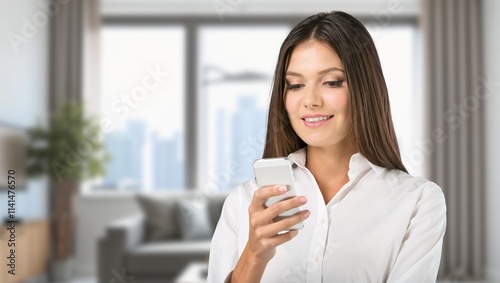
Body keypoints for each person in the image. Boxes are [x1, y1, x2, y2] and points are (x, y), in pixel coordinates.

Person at [207, 11, 446, 283]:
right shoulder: (243, 202)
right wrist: (254, 256)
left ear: (364, 88)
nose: (310, 101)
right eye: (295, 85)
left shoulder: (417, 201)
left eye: (332, 82)